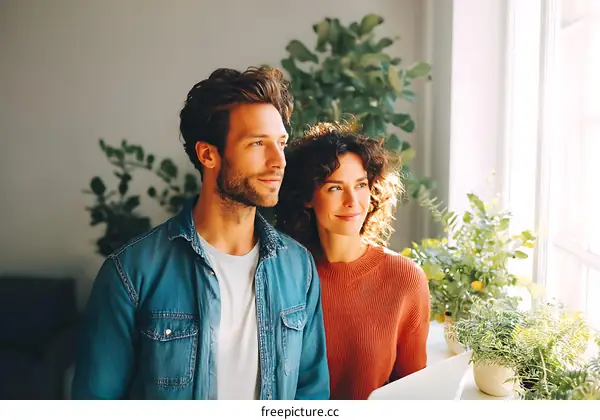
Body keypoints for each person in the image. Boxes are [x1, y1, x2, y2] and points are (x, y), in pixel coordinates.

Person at [71, 66, 330, 400]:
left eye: (280, 143)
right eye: (257, 144)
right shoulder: (131, 273)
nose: (277, 160)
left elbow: (310, 396)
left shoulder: (298, 268)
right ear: (208, 154)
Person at [274, 121, 430, 400]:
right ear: (308, 197)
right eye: (335, 188)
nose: (352, 201)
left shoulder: (405, 278)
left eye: (360, 185)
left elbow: (413, 394)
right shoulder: (283, 275)